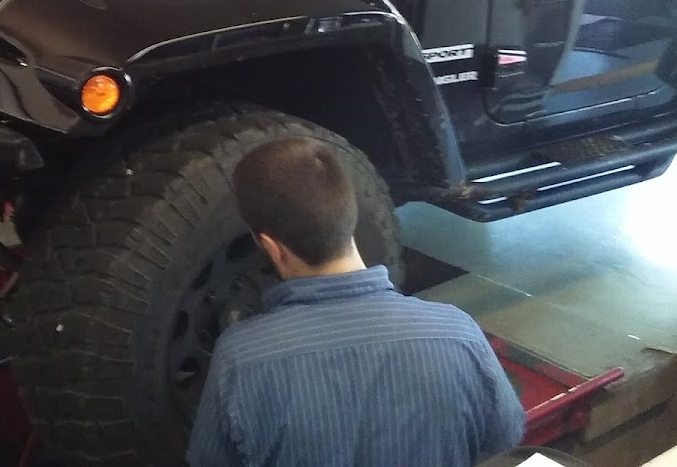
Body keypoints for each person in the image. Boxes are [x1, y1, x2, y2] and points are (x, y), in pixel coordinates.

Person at [186, 137, 526, 467]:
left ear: (272, 247)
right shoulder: (458, 333)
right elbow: (505, 438)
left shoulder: (241, 360)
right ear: (348, 219)